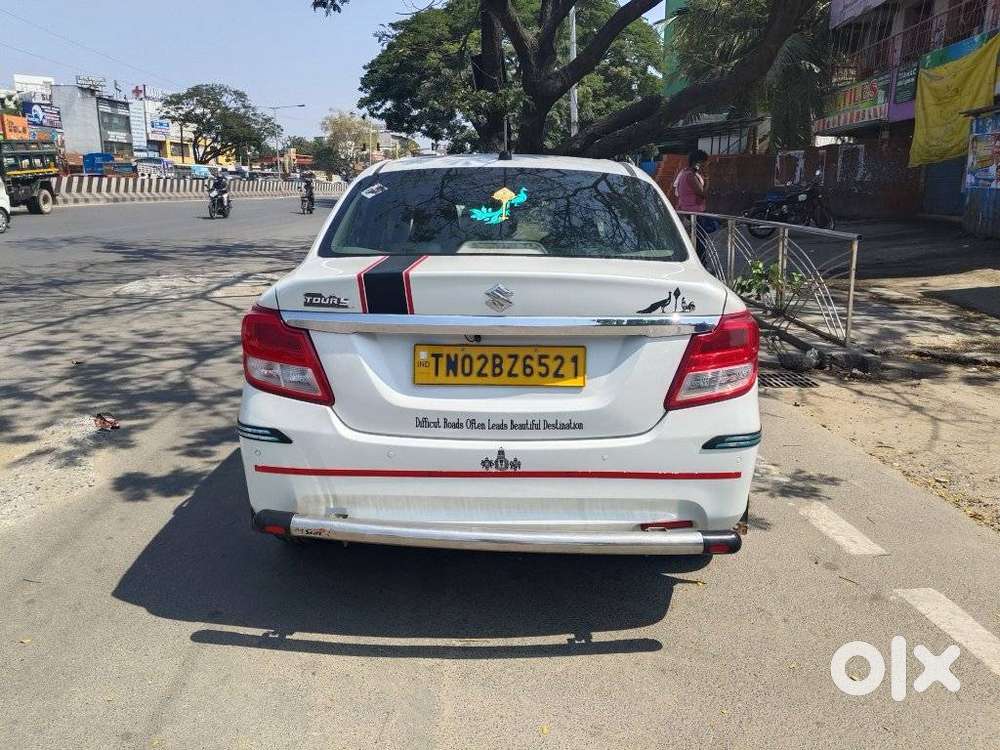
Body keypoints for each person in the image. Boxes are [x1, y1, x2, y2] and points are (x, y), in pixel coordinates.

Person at [673, 149, 719, 264]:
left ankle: (699, 262)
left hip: (691, 211)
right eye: (704, 163)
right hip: (693, 213)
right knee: (700, 241)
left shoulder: (686, 173)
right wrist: (707, 179)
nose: (706, 165)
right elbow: (702, 193)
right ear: (698, 163)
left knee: (697, 239)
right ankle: (701, 264)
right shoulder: (690, 176)